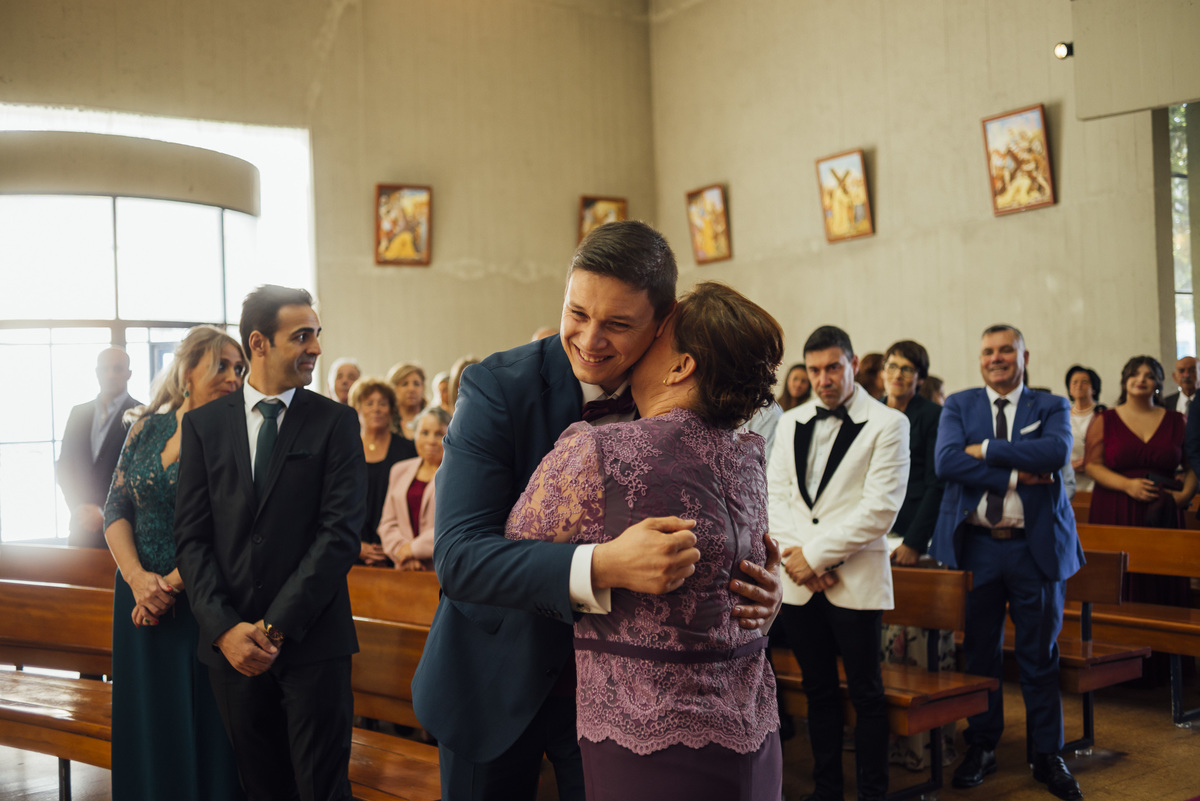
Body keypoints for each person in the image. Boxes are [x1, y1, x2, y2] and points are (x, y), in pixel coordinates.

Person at [411, 220, 782, 801]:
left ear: (663, 324)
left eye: (617, 325)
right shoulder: (498, 388)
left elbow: (717, 525)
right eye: (576, 313)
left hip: (624, 704)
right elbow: (460, 558)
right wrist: (602, 566)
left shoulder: (684, 399)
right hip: (495, 675)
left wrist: (760, 592)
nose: (589, 340)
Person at [504, 282, 783, 801]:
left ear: (681, 366)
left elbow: (513, 555)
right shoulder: (747, 453)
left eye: (656, 335)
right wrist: (774, 592)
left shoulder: (596, 452)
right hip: (751, 726)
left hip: (646, 734)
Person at [174, 285, 366, 801]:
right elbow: (191, 539)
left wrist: (274, 627)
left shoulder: (336, 422)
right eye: (301, 336)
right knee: (260, 789)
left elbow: (339, 536)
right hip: (232, 648)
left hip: (312, 643)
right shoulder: (204, 426)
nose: (316, 348)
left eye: (317, 334)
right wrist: (224, 629)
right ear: (259, 343)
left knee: (322, 790)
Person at [930, 324, 1084, 801]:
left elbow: (1056, 452)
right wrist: (1017, 475)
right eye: (987, 352)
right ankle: (983, 745)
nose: (995, 358)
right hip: (977, 545)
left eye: (1005, 351)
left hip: (1033, 548)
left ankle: (1047, 754)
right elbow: (946, 461)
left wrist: (988, 450)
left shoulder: (1050, 405)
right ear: (980, 359)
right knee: (981, 653)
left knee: (1039, 656)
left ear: (1024, 356)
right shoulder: (959, 405)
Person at [102, 326, 246, 801]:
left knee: (202, 722)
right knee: (147, 715)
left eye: (239, 368)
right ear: (187, 373)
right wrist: (137, 579)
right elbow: (116, 507)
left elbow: (230, 530)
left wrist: (166, 588)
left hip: (199, 596)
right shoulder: (146, 427)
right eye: (221, 365)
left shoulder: (237, 438)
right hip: (137, 599)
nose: (234, 377)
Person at [767, 325, 909, 801]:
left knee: (867, 694)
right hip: (799, 582)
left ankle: (873, 792)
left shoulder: (888, 423)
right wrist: (800, 560)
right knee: (818, 691)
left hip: (855, 580)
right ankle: (826, 789)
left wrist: (815, 557)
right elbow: (776, 498)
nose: (823, 379)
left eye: (832, 368)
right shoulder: (790, 421)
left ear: (853, 364)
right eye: (814, 370)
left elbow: (880, 509)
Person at [877, 340, 951, 770]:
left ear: (920, 377)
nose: (898, 375)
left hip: (912, 540)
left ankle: (923, 743)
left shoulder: (932, 416)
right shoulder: (870, 412)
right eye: (892, 366)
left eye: (907, 369)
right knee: (879, 641)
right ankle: (885, 737)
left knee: (914, 640)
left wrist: (915, 543)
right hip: (874, 539)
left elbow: (937, 483)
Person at [1084, 356, 1195, 604]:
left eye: (1149, 375)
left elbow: (1192, 467)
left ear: (1158, 384)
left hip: (1163, 510)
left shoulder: (1177, 420)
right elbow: (1092, 465)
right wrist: (1127, 485)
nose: (1141, 379)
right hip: (1115, 507)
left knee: (1162, 582)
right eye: (1135, 374)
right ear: (1125, 381)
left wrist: (1185, 496)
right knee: (1117, 582)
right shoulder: (1105, 419)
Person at [58, 347, 142, 547]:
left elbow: (140, 478)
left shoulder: (142, 415)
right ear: (97, 372)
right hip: (80, 528)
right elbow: (64, 467)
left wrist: (105, 514)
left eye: (117, 368)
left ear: (129, 373)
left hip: (123, 533)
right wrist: (78, 508)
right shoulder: (78, 413)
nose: (110, 374)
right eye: (104, 369)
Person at [351, 377, 417, 566]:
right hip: (353, 549)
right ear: (357, 408)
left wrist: (397, 546)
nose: (376, 409)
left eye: (382, 403)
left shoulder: (408, 449)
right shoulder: (346, 448)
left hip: (399, 551)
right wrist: (355, 545)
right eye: (369, 403)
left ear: (392, 409)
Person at [378, 406, 451, 571]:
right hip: (403, 566)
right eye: (424, 433)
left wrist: (413, 550)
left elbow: (452, 525)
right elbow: (387, 524)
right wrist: (402, 554)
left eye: (439, 433)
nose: (431, 441)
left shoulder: (458, 475)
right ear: (415, 435)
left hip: (441, 569)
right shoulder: (399, 470)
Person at [1065, 365, 1104, 493]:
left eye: (1084, 382)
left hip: (1098, 480)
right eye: (1074, 382)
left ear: (1094, 388)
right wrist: (1069, 466)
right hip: (1069, 480)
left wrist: (1091, 464)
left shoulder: (1103, 414)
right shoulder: (1062, 416)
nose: (1079, 386)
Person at [386, 362, 427, 439]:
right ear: (394, 388)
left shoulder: (433, 418)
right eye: (404, 384)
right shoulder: (386, 421)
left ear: (423, 388)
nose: (411, 389)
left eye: (416, 384)